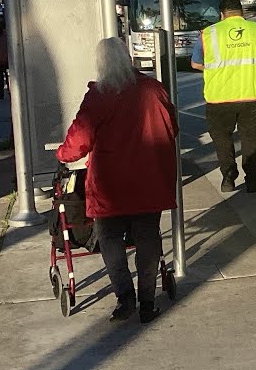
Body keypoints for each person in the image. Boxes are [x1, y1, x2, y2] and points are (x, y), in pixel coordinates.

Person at [56, 38, 178, 324]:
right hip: (149, 179)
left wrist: (62, 155)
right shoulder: (154, 89)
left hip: (111, 184)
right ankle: (148, 302)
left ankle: (125, 299)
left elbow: (80, 139)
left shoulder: (100, 94)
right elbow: (172, 127)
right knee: (148, 238)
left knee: (110, 239)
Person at [191, 0, 256, 193]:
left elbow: (195, 64)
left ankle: (228, 176)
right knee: (250, 136)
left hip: (220, 97)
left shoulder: (208, 34)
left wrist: (216, 70)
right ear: (242, 13)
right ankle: (252, 178)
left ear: (222, 14)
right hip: (255, 94)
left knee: (222, 137)